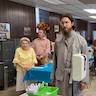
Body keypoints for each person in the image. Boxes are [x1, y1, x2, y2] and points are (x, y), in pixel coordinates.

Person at [51, 14, 89, 96]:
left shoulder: (81, 41)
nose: (64, 25)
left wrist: (84, 80)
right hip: (60, 77)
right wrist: (53, 78)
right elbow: (55, 61)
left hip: (76, 77)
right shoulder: (58, 41)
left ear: (72, 23)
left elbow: (86, 63)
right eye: (62, 22)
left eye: (66, 22)